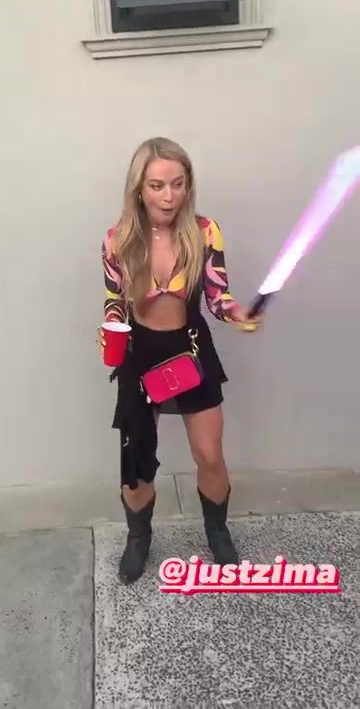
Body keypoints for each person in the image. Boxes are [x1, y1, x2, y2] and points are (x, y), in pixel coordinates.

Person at [97, 137, 262, 585]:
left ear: (188, 185)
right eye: (157, 186)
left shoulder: (205, 232)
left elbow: (217, 296)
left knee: (209, 454)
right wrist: (111, 327)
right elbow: (114, 301)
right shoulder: (118, 240)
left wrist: (237, 313)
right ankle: (138, 538)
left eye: (178, 184)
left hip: (190, 347)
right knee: (136, 463)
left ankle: (217, 530)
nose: (169, 196)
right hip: (139, 355)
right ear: (139, 189)